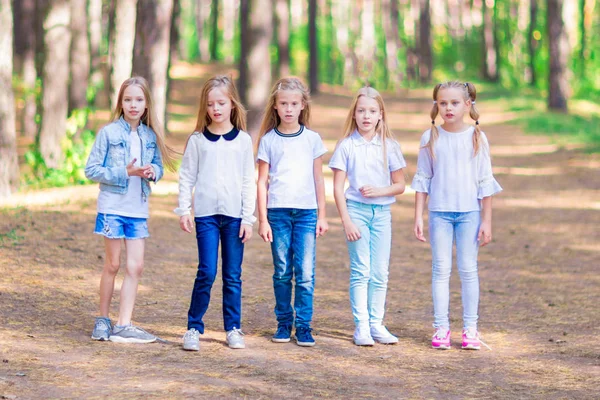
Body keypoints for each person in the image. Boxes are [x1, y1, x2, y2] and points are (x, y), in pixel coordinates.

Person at [85, 76, 178, 343]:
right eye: (128, 100)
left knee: (135, 267)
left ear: (147, 103)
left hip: (138, 209)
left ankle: (124, 324)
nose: (133, 105)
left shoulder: (149, 136)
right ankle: (102, 320)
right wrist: (122, 172)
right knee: (113, 264)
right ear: (121, 103)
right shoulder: (109, 133)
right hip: (112, 207)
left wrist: (153, 172)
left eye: (138, 99)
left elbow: (158, 166)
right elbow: (91, 169)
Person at [412, 81, 502, 350]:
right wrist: (418, 216)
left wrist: (486, 220)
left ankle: (470, 329)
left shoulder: (477, 138)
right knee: (440, 270)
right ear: (436, 105)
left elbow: (485, 181)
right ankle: (441, 328)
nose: (448, 108)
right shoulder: (430, 138)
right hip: (439, 213)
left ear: (467, 104)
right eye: (442, 103)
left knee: (468, 270)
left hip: (469, 214)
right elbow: (423, 178)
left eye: (454, 103)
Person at [175, 75, 256, 351]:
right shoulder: (198, 140)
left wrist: (249, 218)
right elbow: (187, 176)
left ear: (232, 104)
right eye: (210, 104)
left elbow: (248, 180)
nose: (216, 109)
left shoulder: (243, 141)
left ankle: (233, 328)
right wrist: (184, 209)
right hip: (206, 216)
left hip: (235, 217)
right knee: (207, 271)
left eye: (221, 103)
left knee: (232, 274)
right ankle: (193, 327)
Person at [329, 87, 407, 346]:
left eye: (372, 111)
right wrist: (346, 221)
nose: (366, 116)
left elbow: (400, 184)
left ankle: (377, 324)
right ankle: (361, 325)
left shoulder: (390, 146)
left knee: (380, 271)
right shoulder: (347, 145)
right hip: (357, 212)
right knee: (361, 270)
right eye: (361, 110)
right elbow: (337, 188)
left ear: (380, 115)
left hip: (382, 213)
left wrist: (380, 191)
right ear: (354, 114)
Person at [256, 77, 328, 347]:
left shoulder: (312, 139)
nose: (288, 109)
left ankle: (304, 326)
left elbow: (319, 179)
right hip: (278, 214)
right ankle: (284, 323)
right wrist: (263, 219)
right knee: (283, 270)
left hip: (307, 213)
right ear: (275, 106)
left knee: (306, 272)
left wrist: (322, 215)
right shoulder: (269, 140)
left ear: (302, 106)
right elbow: (262, 182)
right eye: (283, 103)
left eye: (294, 104)